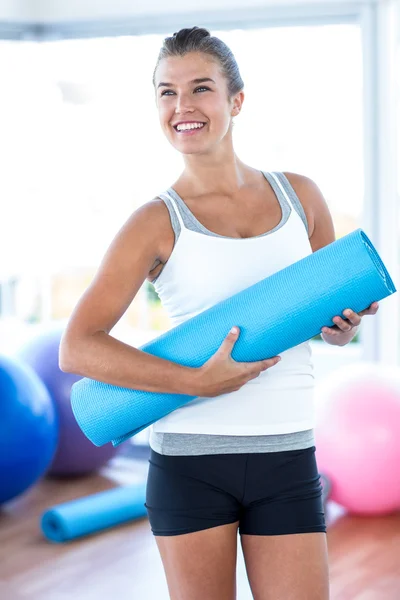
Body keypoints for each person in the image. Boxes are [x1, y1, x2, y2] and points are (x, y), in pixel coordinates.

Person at [60, 26, 379, 600]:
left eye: (200, 88)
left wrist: (342, 325)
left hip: (287, 453)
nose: (182, 106)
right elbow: (78, 346)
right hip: (191, 462)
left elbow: (329, 329)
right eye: (166, 92)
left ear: (236, 101)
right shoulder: (153, 222)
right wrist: (195, 382)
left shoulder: (301, 197)